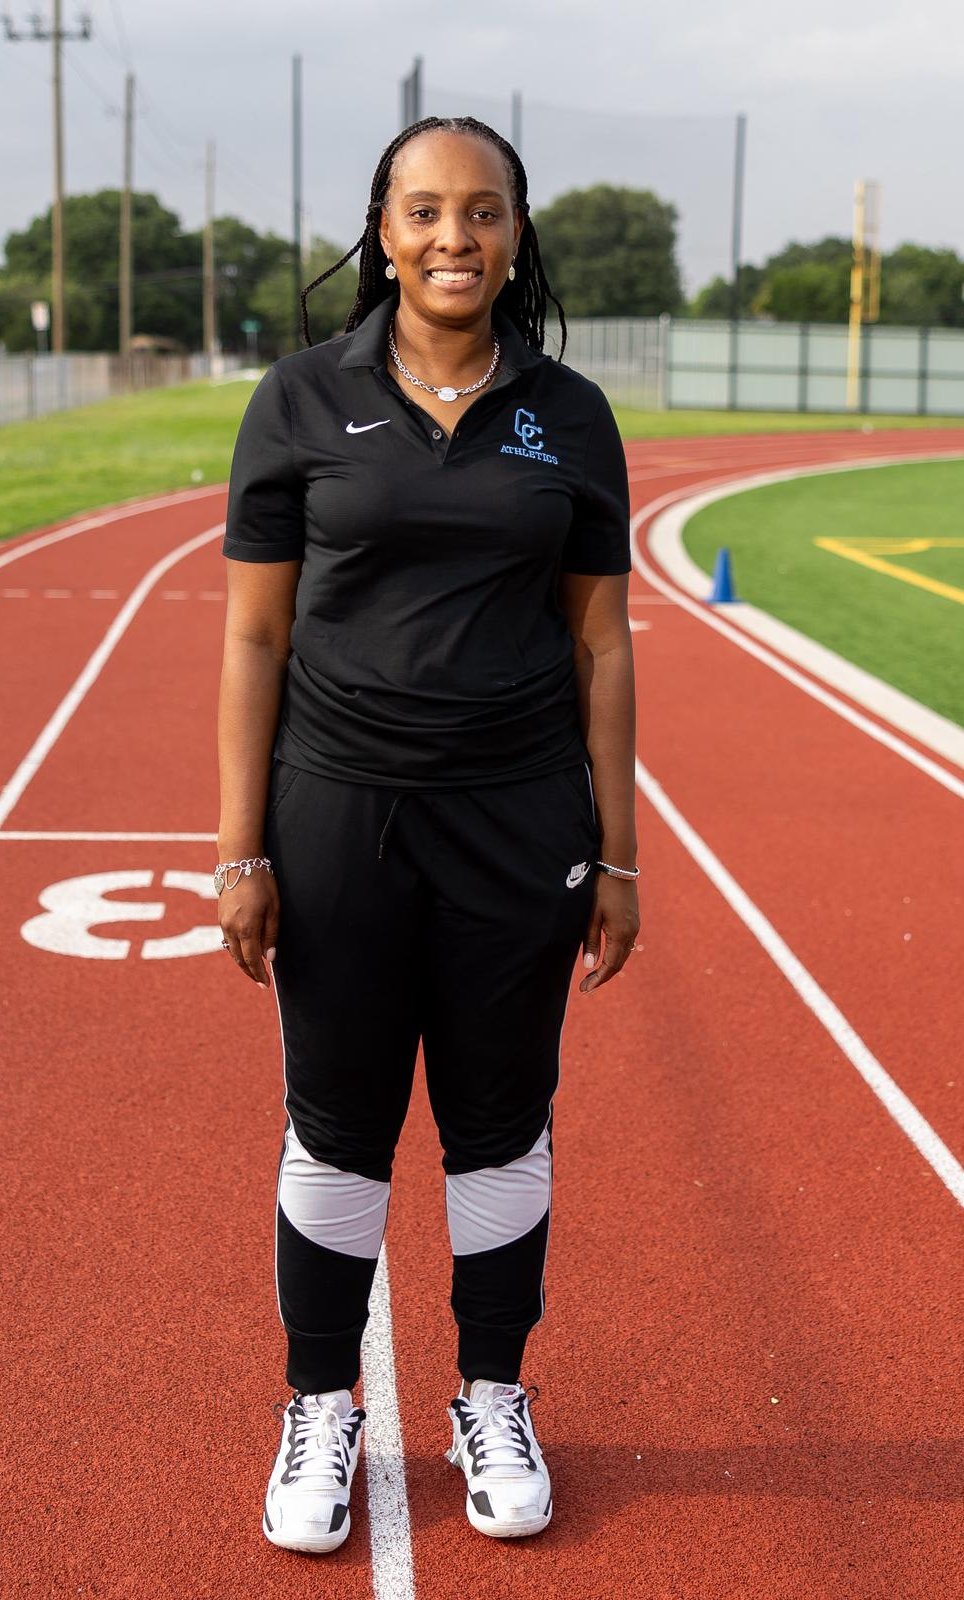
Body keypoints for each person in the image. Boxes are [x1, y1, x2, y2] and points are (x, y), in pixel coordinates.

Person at [213, 115, 640, 1555]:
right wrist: (237, 847)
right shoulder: (296, 400)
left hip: (521, 824)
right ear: (382, 231)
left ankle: (493, 1394)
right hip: (338, 817)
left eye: (484, 211)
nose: (454, 236)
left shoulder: (570, 415)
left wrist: (623, 853)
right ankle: (320, 1403)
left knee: (500, 1126)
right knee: (338, 1131)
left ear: (519, 235)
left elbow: (604, 644)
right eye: (426, 210)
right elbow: (254, 634)